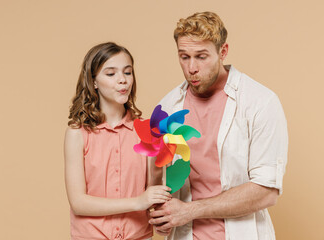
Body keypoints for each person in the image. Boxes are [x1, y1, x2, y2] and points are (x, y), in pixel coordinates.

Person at [149, 12, 288, 240]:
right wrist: (161, 215)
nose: (192, 68)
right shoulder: (167, 106)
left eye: (201, 56)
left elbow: (267, 192)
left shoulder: (260, 102)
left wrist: (190, 211)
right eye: (184, 57)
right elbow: (159, 175)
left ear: (223, 52)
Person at [64, 42, 171, 240]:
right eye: (111, 74)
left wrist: (161, 218)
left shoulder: (148, 131)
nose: (122, 80)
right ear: (93, 81)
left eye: (127, 72)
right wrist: (137, 202)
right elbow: (78, 202)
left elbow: (152, 196)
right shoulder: (77, 134)